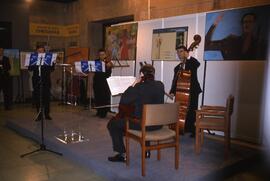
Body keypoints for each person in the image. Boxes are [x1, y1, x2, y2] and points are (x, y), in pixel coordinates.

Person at [107, 64, 165, 162]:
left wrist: (133, 85)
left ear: (141, 74)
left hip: (144, 125)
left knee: (113, 124)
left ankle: (121, 154)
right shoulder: (160, 85)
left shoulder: (139, 87)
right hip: (158, 124)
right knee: (145, 116)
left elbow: (124, 100)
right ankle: (147, 151)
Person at [170, 45, 202, 137]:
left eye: (181, 51)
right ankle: (183, 127)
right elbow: (175, 81)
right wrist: (172, 92)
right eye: (178, 52)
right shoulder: (177, 68)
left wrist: (188, 56)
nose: (179, 54)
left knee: (192, 109)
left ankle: (193, 130)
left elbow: (197, 64)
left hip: (193, 90)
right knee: (182, 110)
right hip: (182, 91)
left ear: (185, 52)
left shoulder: (191, 63)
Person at [28, 45, 54, 121]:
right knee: (38, 98)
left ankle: (47, 114)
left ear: (44, 51)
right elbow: (30, 68)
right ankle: (39, 115)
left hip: (46, 80)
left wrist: (53, 62)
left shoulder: (48, 58)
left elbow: (52, 69)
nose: (40, 52)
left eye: (42, 51)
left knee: (46, 98)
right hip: (36, 80)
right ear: (36, 51)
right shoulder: (33, 58)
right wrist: (35, 63)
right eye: (39, 51)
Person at [93, 48, 113, 118]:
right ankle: (98, 111)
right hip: (97, 81)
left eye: (102, 54)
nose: (101, 56)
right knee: (97, 97)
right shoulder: (95, 62)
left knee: (104, 97)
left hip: (104, 82)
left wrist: (108, 68)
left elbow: (108, 74)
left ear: (105, 55)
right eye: (100, 54)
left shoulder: (108, 63)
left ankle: (103, 113)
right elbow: (94, 71)